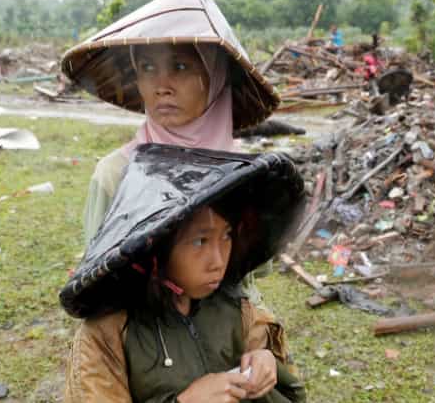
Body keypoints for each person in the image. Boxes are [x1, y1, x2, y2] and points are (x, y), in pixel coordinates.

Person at [60, 0, 280, 304]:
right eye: (147, 67)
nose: (161, 85)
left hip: (232, 336)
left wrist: (258, 343)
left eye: (180, 66)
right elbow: (101, 284)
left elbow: (251, 275)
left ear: (216, 78)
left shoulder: (244, 175)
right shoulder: (115, 175)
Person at [60, 144, 307, 402]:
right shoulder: (108, 333)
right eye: (200, 241)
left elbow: (291, 392)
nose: (218, 260)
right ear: (156, 249)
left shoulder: (238, 311)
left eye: (227, 236)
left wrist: (267, 362)